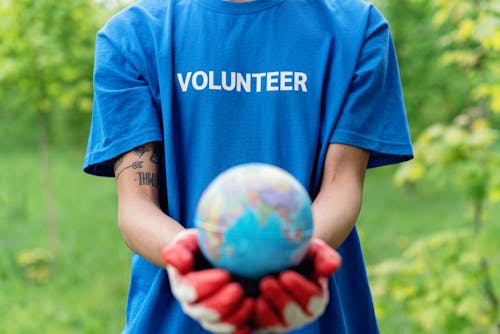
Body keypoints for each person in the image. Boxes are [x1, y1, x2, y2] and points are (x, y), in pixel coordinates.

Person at [83, 0, 413, 333]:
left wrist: (281, 262)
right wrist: (201, 264)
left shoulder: (357, 29)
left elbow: (342, 186)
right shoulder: (130, 37)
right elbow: (136, 207)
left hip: (306, 314)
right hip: (176, 320)